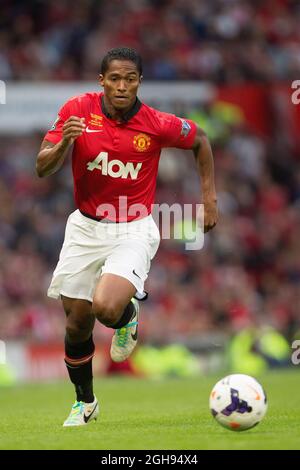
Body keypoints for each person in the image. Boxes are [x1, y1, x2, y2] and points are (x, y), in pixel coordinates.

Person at [36, 47, 218, 427]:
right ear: (101, 81)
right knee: (76, 324)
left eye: (130, 79)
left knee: (105, 307)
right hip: (85, 227)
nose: (122, 86)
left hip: (133, 227)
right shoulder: (76, 110)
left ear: (139, 82)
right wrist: (64, 143)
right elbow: (42, 167)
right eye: (114, 79)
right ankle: (85, 403)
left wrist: (209, 198)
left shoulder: (155, 123)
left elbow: (200, 138)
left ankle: (127, 316)